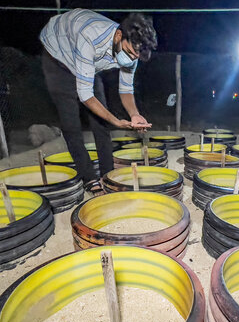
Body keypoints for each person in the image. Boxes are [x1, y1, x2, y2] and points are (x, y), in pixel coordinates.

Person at [40, 10, 157, 193]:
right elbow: (85, 95)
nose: (131, 59)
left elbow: (126, 89)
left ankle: (107, 174)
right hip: (58, 58)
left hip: (86, 62)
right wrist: (116, 121)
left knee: (101, 124)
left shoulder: (133, 50)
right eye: (128, 53)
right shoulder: (91, 37)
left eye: (134, 57)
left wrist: (134, 114)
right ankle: (88, 177)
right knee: (71, 124)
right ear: (119, 36)